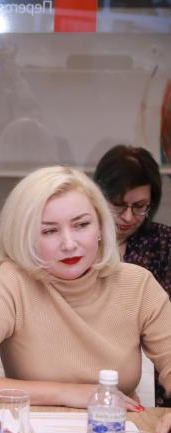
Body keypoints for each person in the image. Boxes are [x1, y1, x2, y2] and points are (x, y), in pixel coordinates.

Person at [0, 166, 171, 409]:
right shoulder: (12, 281)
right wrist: (68, 394)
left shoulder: (138, 284)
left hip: (116, 428)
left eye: (81, 225)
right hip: (30, 430)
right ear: (25, 237)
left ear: (100, 227)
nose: (69, 244)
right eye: (49, 231)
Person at [94, 145, 169, 405]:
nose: (128, 217)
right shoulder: (77, 240)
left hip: (157, 378)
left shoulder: (164, 243)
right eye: (118, 205)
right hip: (86, 374)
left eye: (140, 207)